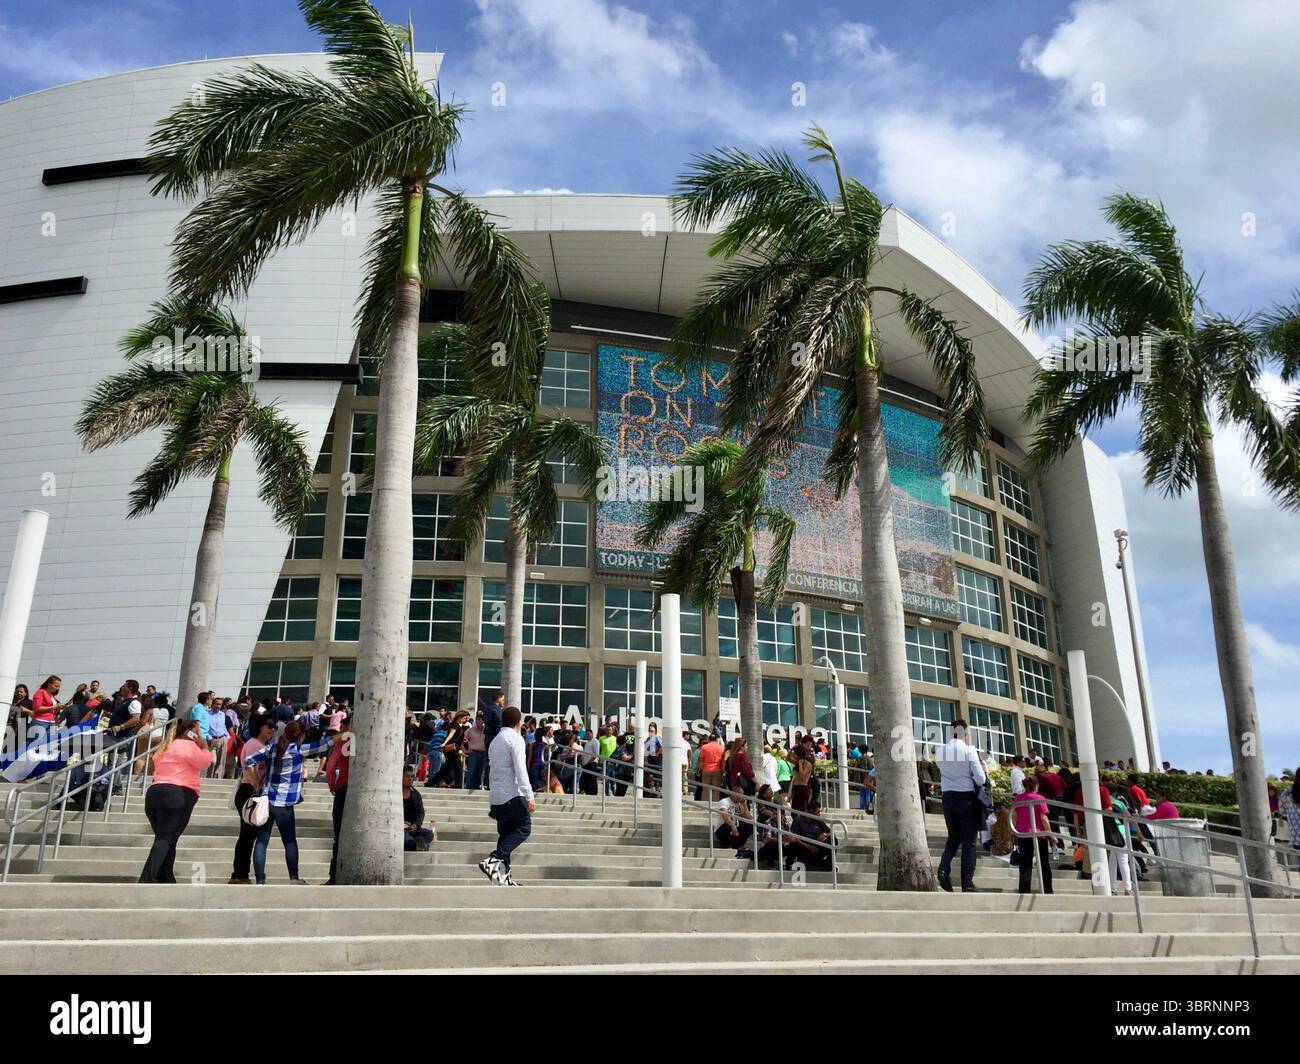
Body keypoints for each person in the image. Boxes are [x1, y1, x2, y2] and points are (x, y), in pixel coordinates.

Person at [242, 720, 335, 884]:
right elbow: (324, 744)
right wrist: (344, 734)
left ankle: (260, 879)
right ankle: (294, 877)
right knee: (289, 841)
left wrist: (255, 781)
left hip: (266, 799)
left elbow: (248, 760)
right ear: (300, 736)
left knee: (262, 840)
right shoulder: (298, 750)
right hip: (284, 803)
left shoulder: (272, 748)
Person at [139, 717, 214, 883]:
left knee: (168, 838)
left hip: (155, 792)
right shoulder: (189, 746)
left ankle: (166, 876)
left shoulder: (166, 745)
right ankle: (147, 877)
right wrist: (205, 747)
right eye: (198, 731)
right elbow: (205, 762)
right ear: (190, 732)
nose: (200, 734)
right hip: (178, 792)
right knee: (165, 838)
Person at [480, 705, 534, 886]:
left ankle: (504, 877)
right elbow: (521, 769)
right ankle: (494, 859)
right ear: (519, 722)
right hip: (511, 794)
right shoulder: (515, 739)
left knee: (506, 835)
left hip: (496, 796)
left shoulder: (495, 741)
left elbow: (492, 770)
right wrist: (529, 796)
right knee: (524, 827)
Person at [935, 719, 988, 893]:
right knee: (969, 842)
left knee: (953, 837)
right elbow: (980, 778)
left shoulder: (940, 751)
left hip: (948, 797)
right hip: (966, 798)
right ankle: (967, 884)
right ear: (965, 733)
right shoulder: (969, 750)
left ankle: (943, 868)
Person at [230, 714, 274, 884]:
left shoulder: (259, 744)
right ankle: (240, 873)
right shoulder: (255, 744)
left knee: (247, 835)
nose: (272, 730)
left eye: (273, 727)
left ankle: (240, 872)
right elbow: (250, 768)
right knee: (247, 836)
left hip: (249, 790)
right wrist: (257, 788)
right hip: (250, 790)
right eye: (269, 726)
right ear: (259, 727)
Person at [1012, 775, 1054, 894]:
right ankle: (1047, 889)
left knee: (1025, 863)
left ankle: (1024, 889)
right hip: (1039, 834)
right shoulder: (1039, 798)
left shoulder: (1018, 798)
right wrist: (1051, 834)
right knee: (1044, 862)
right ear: (1036, 785)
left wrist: (1012, 831)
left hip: (1023, 833)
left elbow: (1015, 816)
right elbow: (1044, 818)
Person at [324, 715, 352, 884]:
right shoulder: (367, 739)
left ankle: (334, 876)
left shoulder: (345, 739)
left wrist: (332, 784)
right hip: (362, 790)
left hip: (343, 788)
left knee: (339, 835)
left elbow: (331, 765)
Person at [787, 801, 834, 871]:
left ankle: (829, 865)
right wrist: (808, 847)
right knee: (793, 845)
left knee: (833, 840)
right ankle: (790, 864)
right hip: (803, 847)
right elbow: (793, 837)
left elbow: (831, 833)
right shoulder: (798, 820)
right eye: (817, 812)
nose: (819, 814)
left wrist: (825, 835)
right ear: (811, 811)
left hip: (817, 847)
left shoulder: (819, 821)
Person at [712, 790, 754, 859]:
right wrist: (733, 826)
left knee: (749, 827)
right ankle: (729, 845)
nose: (742, 796)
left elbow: (749, 818)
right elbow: (725, 815)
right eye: (741, 794)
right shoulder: (724, 801)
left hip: (734, 829)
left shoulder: (740, 804)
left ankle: (738, 845)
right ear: (734, 794)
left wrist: (744, 805)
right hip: (722, 829)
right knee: (727, 825)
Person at [402, 764, 435, 850]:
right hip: (401, 828)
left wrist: (416, 825)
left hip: (414, 828)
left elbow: (421, 812)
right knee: (406, 840)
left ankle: (417, 843)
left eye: (412, 776)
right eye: (407, 776)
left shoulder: (416, 793)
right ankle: (417, 843)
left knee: (429, 834)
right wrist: (403, 822)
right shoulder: (396, 793)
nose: (410, 779)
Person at [464, 710, 488, 790]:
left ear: (483, 721)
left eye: (480, 720)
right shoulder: (470, 730)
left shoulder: (486, 731)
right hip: (473, 752)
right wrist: (465, 750)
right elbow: (462, 741)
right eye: (477, 720)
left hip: (483, 753)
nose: (478, 721)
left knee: (481, 771)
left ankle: (478, 787)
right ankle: (469, 786)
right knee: (471, 770)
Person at [698, 732, 725, 801]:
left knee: (706, 789)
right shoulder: (721, 748)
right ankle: (714, 805)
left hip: (706, 769)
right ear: (716, 739)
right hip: (717, 770)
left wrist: (699, 770)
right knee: (716, 790)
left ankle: (705, 805)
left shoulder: (704, 747)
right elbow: (723, 761)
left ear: (709, 740)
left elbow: (701, 760)